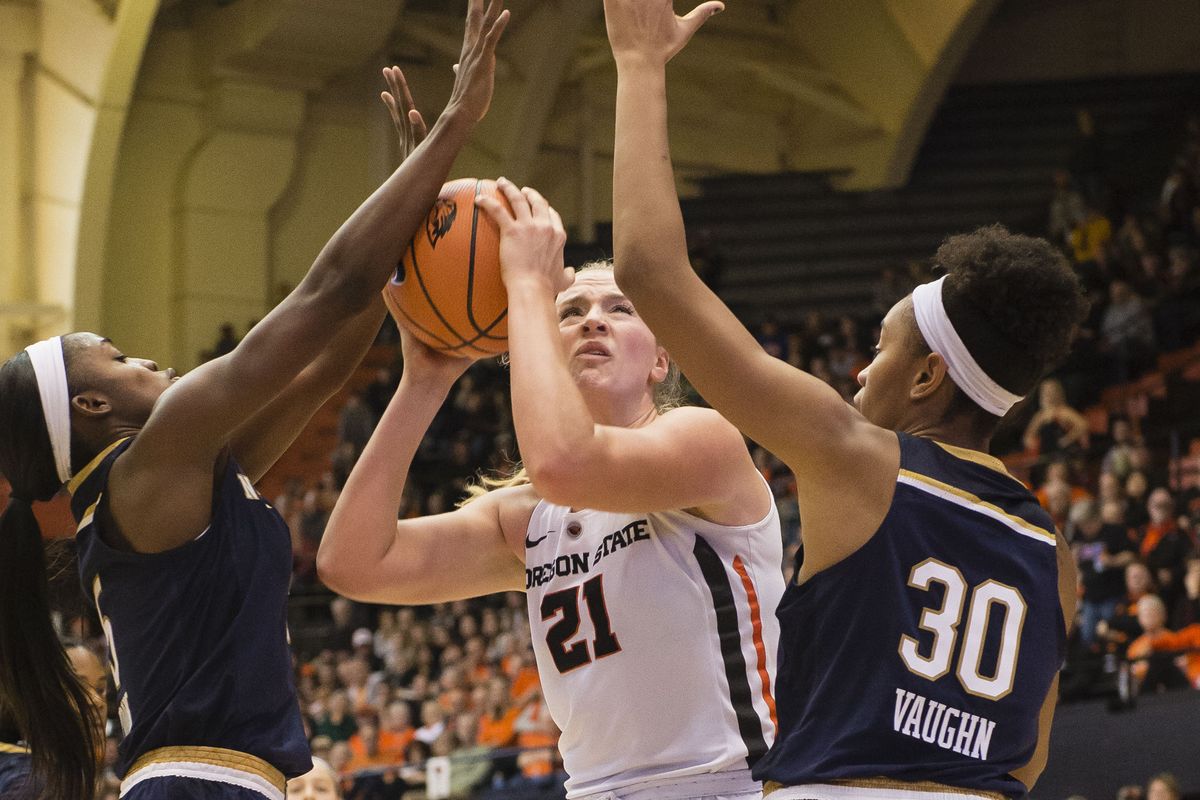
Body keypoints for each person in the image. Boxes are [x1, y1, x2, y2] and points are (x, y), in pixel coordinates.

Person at [0, 3, 508, 797]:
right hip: (199, 783)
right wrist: (453, 128)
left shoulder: (185, 477)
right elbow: (327, 292)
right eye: (119, 358)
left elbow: (330, 364)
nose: (148, 359)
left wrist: (413, 212)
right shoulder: (154, 462)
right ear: (92, 408)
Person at [602, 1, 1088, 797]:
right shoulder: (1051, 553)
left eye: (879, 350)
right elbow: (1027, 756)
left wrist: (640, 65)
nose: (860, 375)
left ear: (927, 375)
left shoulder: (857, 457)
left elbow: (649, 272)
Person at [318, 211, 783, 797]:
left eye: (620, 308)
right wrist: (424, 383)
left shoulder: (702, 440)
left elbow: (566, 463)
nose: (594, 320)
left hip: (733, 783)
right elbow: (351, 563)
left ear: (659, 360)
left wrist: (532, 291)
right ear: (537, 349)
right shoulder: (528, 519)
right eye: (570, 312)